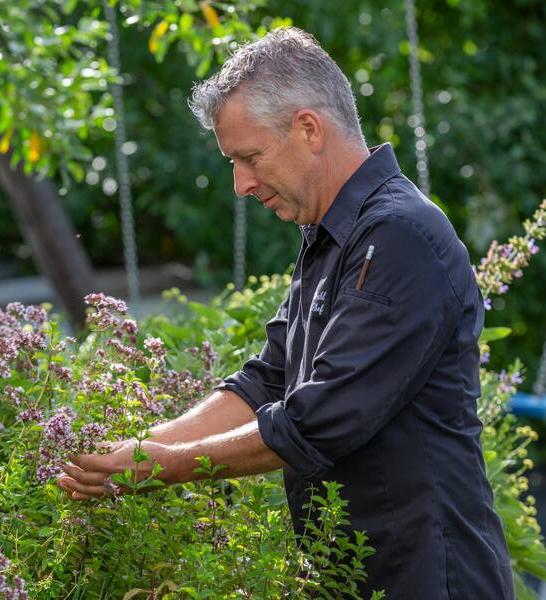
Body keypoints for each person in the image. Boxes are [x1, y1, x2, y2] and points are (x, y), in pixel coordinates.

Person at [57, 26, 514, 598]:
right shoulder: (331, 236)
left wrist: (164, 467)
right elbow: (266, 380)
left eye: (248, 157)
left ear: (307, 129)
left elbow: (319, 420)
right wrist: (143, 448)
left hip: (429, 579)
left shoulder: (399, 234)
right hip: (351, 578)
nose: (240, 184)